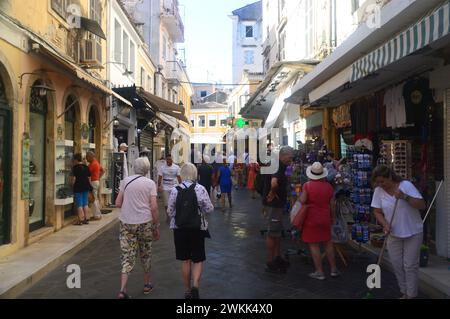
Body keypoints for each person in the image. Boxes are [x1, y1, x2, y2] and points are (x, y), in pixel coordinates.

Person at [371, 165, 426, 299]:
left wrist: (404, 197)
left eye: (382, 181)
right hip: (393, 233)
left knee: (410, 265)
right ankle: (404, 292)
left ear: (390, 177)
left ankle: (411, 295)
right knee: (396, 264)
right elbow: (377, 211)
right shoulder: (378, 191)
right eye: (377, 182)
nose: (380, 184)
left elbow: (422, 205)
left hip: (413, 231)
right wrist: (385, 224)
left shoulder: (405, 185)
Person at [167, 163, 214, 299]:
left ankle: (187, 290)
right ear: (195, 174)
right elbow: (209, 208)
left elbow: (170, 211)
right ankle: (195, 286)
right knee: (198, 259)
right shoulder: (200, 189)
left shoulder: (175, 190)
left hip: (180, 229)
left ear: (181, 174)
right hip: (197, 228)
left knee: (185, 260)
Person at [115, 157, 160, 299]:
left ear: (134, 167)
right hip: (144, 222)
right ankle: (147, 285)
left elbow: (117, 203)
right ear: (147, 169)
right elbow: (153, 207)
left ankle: (122, 290)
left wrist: (130, 206)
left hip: (126, 223)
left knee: (127, 256)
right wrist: (156, 226)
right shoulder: (150, 183)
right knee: (145, 253)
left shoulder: (125, 181)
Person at [299, 162, 338, 280]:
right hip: (325, 217)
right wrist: (333, 217)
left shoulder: (307, 186)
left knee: (314, 244)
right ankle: (334, 269)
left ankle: (319, 272)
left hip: (311, 218)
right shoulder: (329, 187)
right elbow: (332, 205)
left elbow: (302, 200)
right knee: (328, 243)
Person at [262, 146, 294, 273]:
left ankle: (277, 257)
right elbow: (274, 183)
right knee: (272, 233)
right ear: (283, 155)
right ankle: (270, 261)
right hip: (274, 205)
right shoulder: (277, 166)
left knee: (277, 232)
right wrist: (273, 193)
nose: (290, 160)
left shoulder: (278, 165)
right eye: (289, 157)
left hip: (276, 205)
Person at [71, 153, 92, 225]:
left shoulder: (75, 168)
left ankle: (81, 220)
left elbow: (74, 178)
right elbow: (89, 178)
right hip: (86, 186)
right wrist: (89, 186)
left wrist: (72, 185)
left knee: (79, 204)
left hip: (78, 187)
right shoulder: (86, 167)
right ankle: (87, 219)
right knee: (85, 203)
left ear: (76, 160)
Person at [86, 151, 104, 221]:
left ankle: (97, 215)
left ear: (91, 157)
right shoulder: (96, 163)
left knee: (93, 199)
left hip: (93, 182)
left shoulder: (92, 164)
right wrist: (98, 177)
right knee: (95, 198)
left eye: (87, 157)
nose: (87, 159)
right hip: (96, 181)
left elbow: (87, 173)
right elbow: (102, 170)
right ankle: (97, 214)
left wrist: (96, 177)